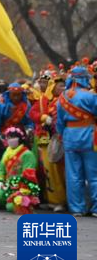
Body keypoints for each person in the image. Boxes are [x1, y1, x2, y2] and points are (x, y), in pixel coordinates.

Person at [56, 65, 96, 217]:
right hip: (89, 136)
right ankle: (96, 208)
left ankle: (77, 208)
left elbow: (59, 122)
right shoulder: (91, 96)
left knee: (73, 174)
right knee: (94, 174)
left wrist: (63, 135)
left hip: (70, 137)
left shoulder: (62, 97)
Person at [31, 74, 66, 210]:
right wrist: (43, 117)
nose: (42, 85)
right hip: (46, 140)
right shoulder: (42, 100)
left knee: (63, 171)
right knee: (49, 171)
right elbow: (32, 114)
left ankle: (64, 200)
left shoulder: (66, 99)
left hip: (64, 138)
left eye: (46, 82)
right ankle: (55, 200)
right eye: (41, 82)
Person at [0, 127, 37, 211]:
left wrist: (19, 186)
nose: (10, 140)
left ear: (20, 138)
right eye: (8, 138)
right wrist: (0, 181)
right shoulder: (6, 153)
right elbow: (1, 169)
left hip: (22, 187)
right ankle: (8, 201)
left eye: (13, 137)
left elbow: (29, 174)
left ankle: (16, 203)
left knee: (11, 207)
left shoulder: (27, 154)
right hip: (7, 186)